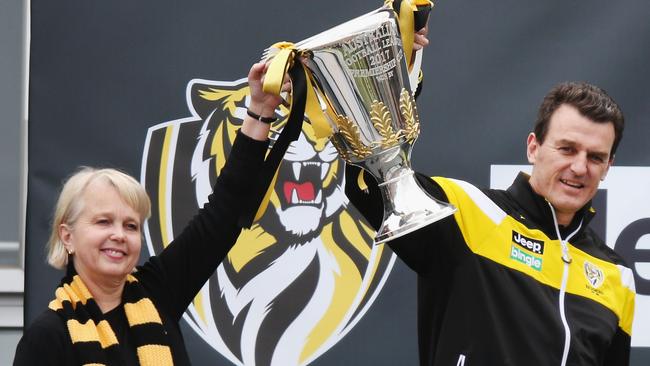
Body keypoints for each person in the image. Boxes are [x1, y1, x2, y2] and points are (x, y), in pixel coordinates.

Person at [13, 61, 286, 366]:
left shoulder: (158, 291)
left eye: (131, 226)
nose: (119, 235)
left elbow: (224, 211)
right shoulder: (47, 338)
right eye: (103, 221)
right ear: (68, 236)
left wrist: (260, 108)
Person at [345, 81, 636, 365]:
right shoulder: (468, 212)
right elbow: (372, 183)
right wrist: (401, 74)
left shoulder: (616, 276)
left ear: (608, 166)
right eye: (567, 149)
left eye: (595, 157)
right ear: (534, 148)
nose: (579, 167)